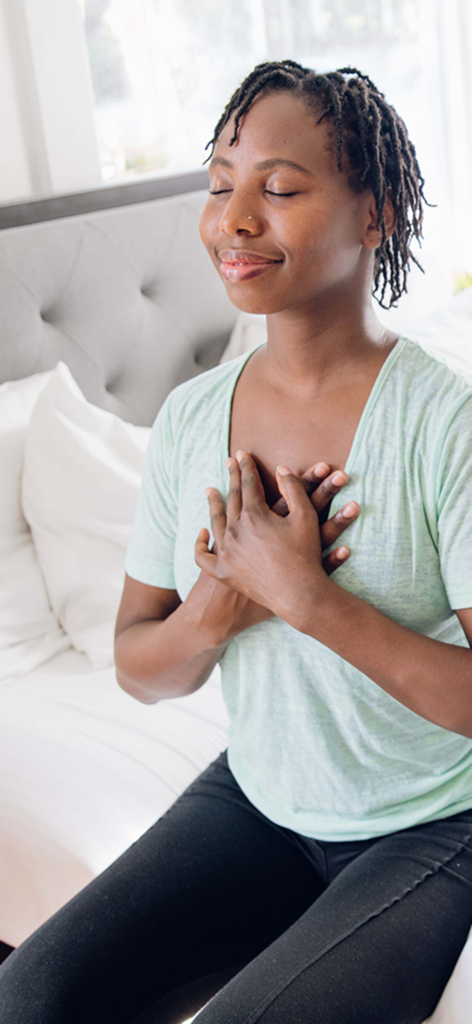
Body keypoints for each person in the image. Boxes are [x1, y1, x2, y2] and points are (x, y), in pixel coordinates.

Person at [1, 61, 472, 1024]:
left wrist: (307, 598)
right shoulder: (188, 420)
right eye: (221, 185)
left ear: (375, 213)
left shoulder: (444, 423)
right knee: (31, 996)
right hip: (256, 799)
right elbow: (142, 669)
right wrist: (220, 606)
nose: (234, 220)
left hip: (432, 821)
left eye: (281, 188)